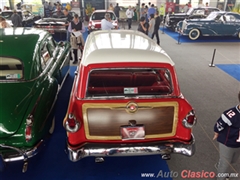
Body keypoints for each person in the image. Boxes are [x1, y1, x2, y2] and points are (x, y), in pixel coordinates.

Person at [213, 91, 240, 180]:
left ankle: (221, 166)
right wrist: (216, 132)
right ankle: (221, 175)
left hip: (238, 145)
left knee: (232, 161)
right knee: (225, 164)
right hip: (227, 144)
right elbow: (219, 124)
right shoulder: (230, 114)